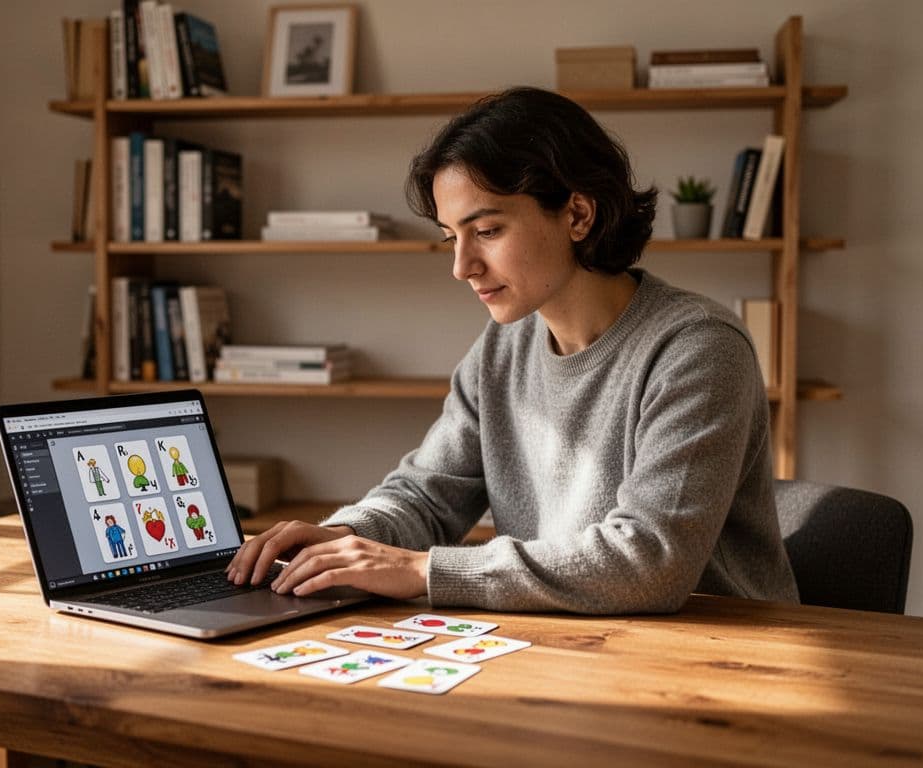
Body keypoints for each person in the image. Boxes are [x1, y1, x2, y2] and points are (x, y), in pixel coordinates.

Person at [225, 87, 798, 614]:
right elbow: (426, 496)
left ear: (578, 214)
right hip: (574, 647)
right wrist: (343, 537)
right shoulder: (503, 347)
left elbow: (650, 562)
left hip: (720, 658)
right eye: (453, 237)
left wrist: (421, 570)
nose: (461, 266)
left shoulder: (698, 348)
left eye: (488, 231)